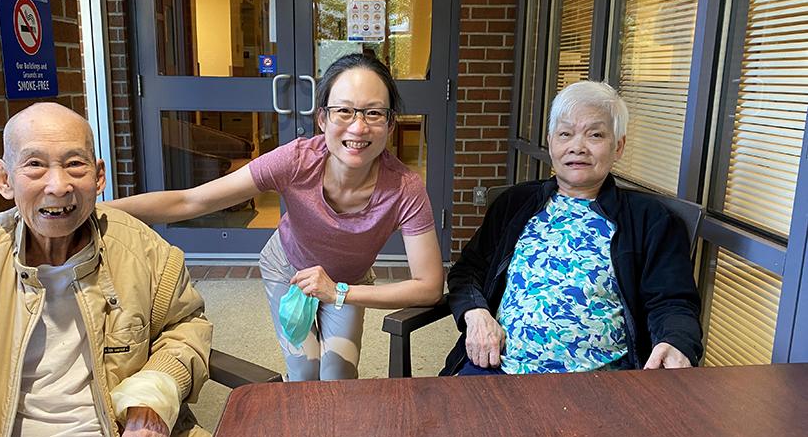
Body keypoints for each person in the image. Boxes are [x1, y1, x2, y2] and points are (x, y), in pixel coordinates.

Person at [109, 54, 444, 381]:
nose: (358, 126)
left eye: (373, 113)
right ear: (322, 119)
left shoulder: (404, 188)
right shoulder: (296, 161)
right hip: (288, 268)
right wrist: (100, 210)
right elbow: (189, 201)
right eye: (344, 111)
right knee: (303, 370)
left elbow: (429, 287)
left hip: (347, 281)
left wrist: (340, 293)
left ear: (390, 123)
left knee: (338, 373)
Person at [0, 103, 213, 437]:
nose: (59, 185)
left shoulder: (143, 249)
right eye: (35, 165)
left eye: (75, 164)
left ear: (99, 175)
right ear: (4, 179)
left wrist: (151, 397)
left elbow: (186, 328)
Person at [443, 80, 703, 377]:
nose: (577, 147)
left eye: (595, 135)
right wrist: (476, 314)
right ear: (551, 142)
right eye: (566, 133)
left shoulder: (650, 220)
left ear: (618, 146)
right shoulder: (515, 204)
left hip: (599, 382)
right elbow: (467, 271)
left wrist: (676, 341)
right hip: (497, 368)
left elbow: (673, 301)